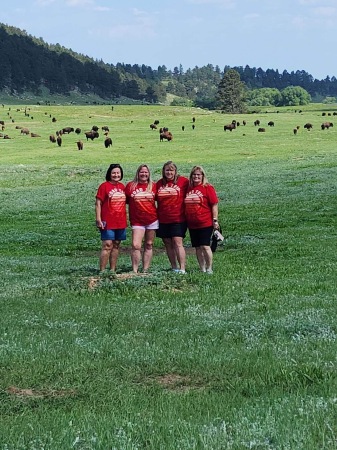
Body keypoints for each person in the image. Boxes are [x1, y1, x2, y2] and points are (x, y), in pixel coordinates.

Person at [184, 165, 219, 273]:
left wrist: (215, 220)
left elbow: (214, 204)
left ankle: (209, 268)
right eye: (194, 174)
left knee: (205, 245)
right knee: (197, 247)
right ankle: (202, 268)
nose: (196, 177)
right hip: (192, 223)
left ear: (202, 176)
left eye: (198, 175)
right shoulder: (188, 188)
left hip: (205, 222)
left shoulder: (208, 188)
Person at [156, 161, 189, 273]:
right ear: (163, 171)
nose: (169, 172)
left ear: (175, 171)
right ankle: (174, 267)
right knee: (167, 243)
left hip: (178, 218)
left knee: (177, 242)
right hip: (163, 218)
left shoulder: (184, 182)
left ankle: (182, 268)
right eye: (167, 170)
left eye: (171, 170)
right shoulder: (159, 184)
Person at [125, 164, 158, 273]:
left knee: (149, 244)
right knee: (136, 245)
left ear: (149, 174)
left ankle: (145, 270)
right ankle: (135, 270)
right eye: (141, 172)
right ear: (138, 173)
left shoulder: (153, 186)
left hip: (152, 219)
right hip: (137, 220)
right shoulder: (130, 186)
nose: (144, 174)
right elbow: (123, 201)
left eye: (146, 172)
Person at [95, 163, 127, 273]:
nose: (116, 175)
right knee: (107, 245)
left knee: (116, 245)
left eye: (118, 173)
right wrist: (98, 218)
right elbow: (98, 203)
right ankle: (102, 271)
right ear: (109, 174)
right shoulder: (104, 186)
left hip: (120, 221)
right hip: (107, 221)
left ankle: (112, 270)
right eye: (113, 173)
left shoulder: (122, 186)